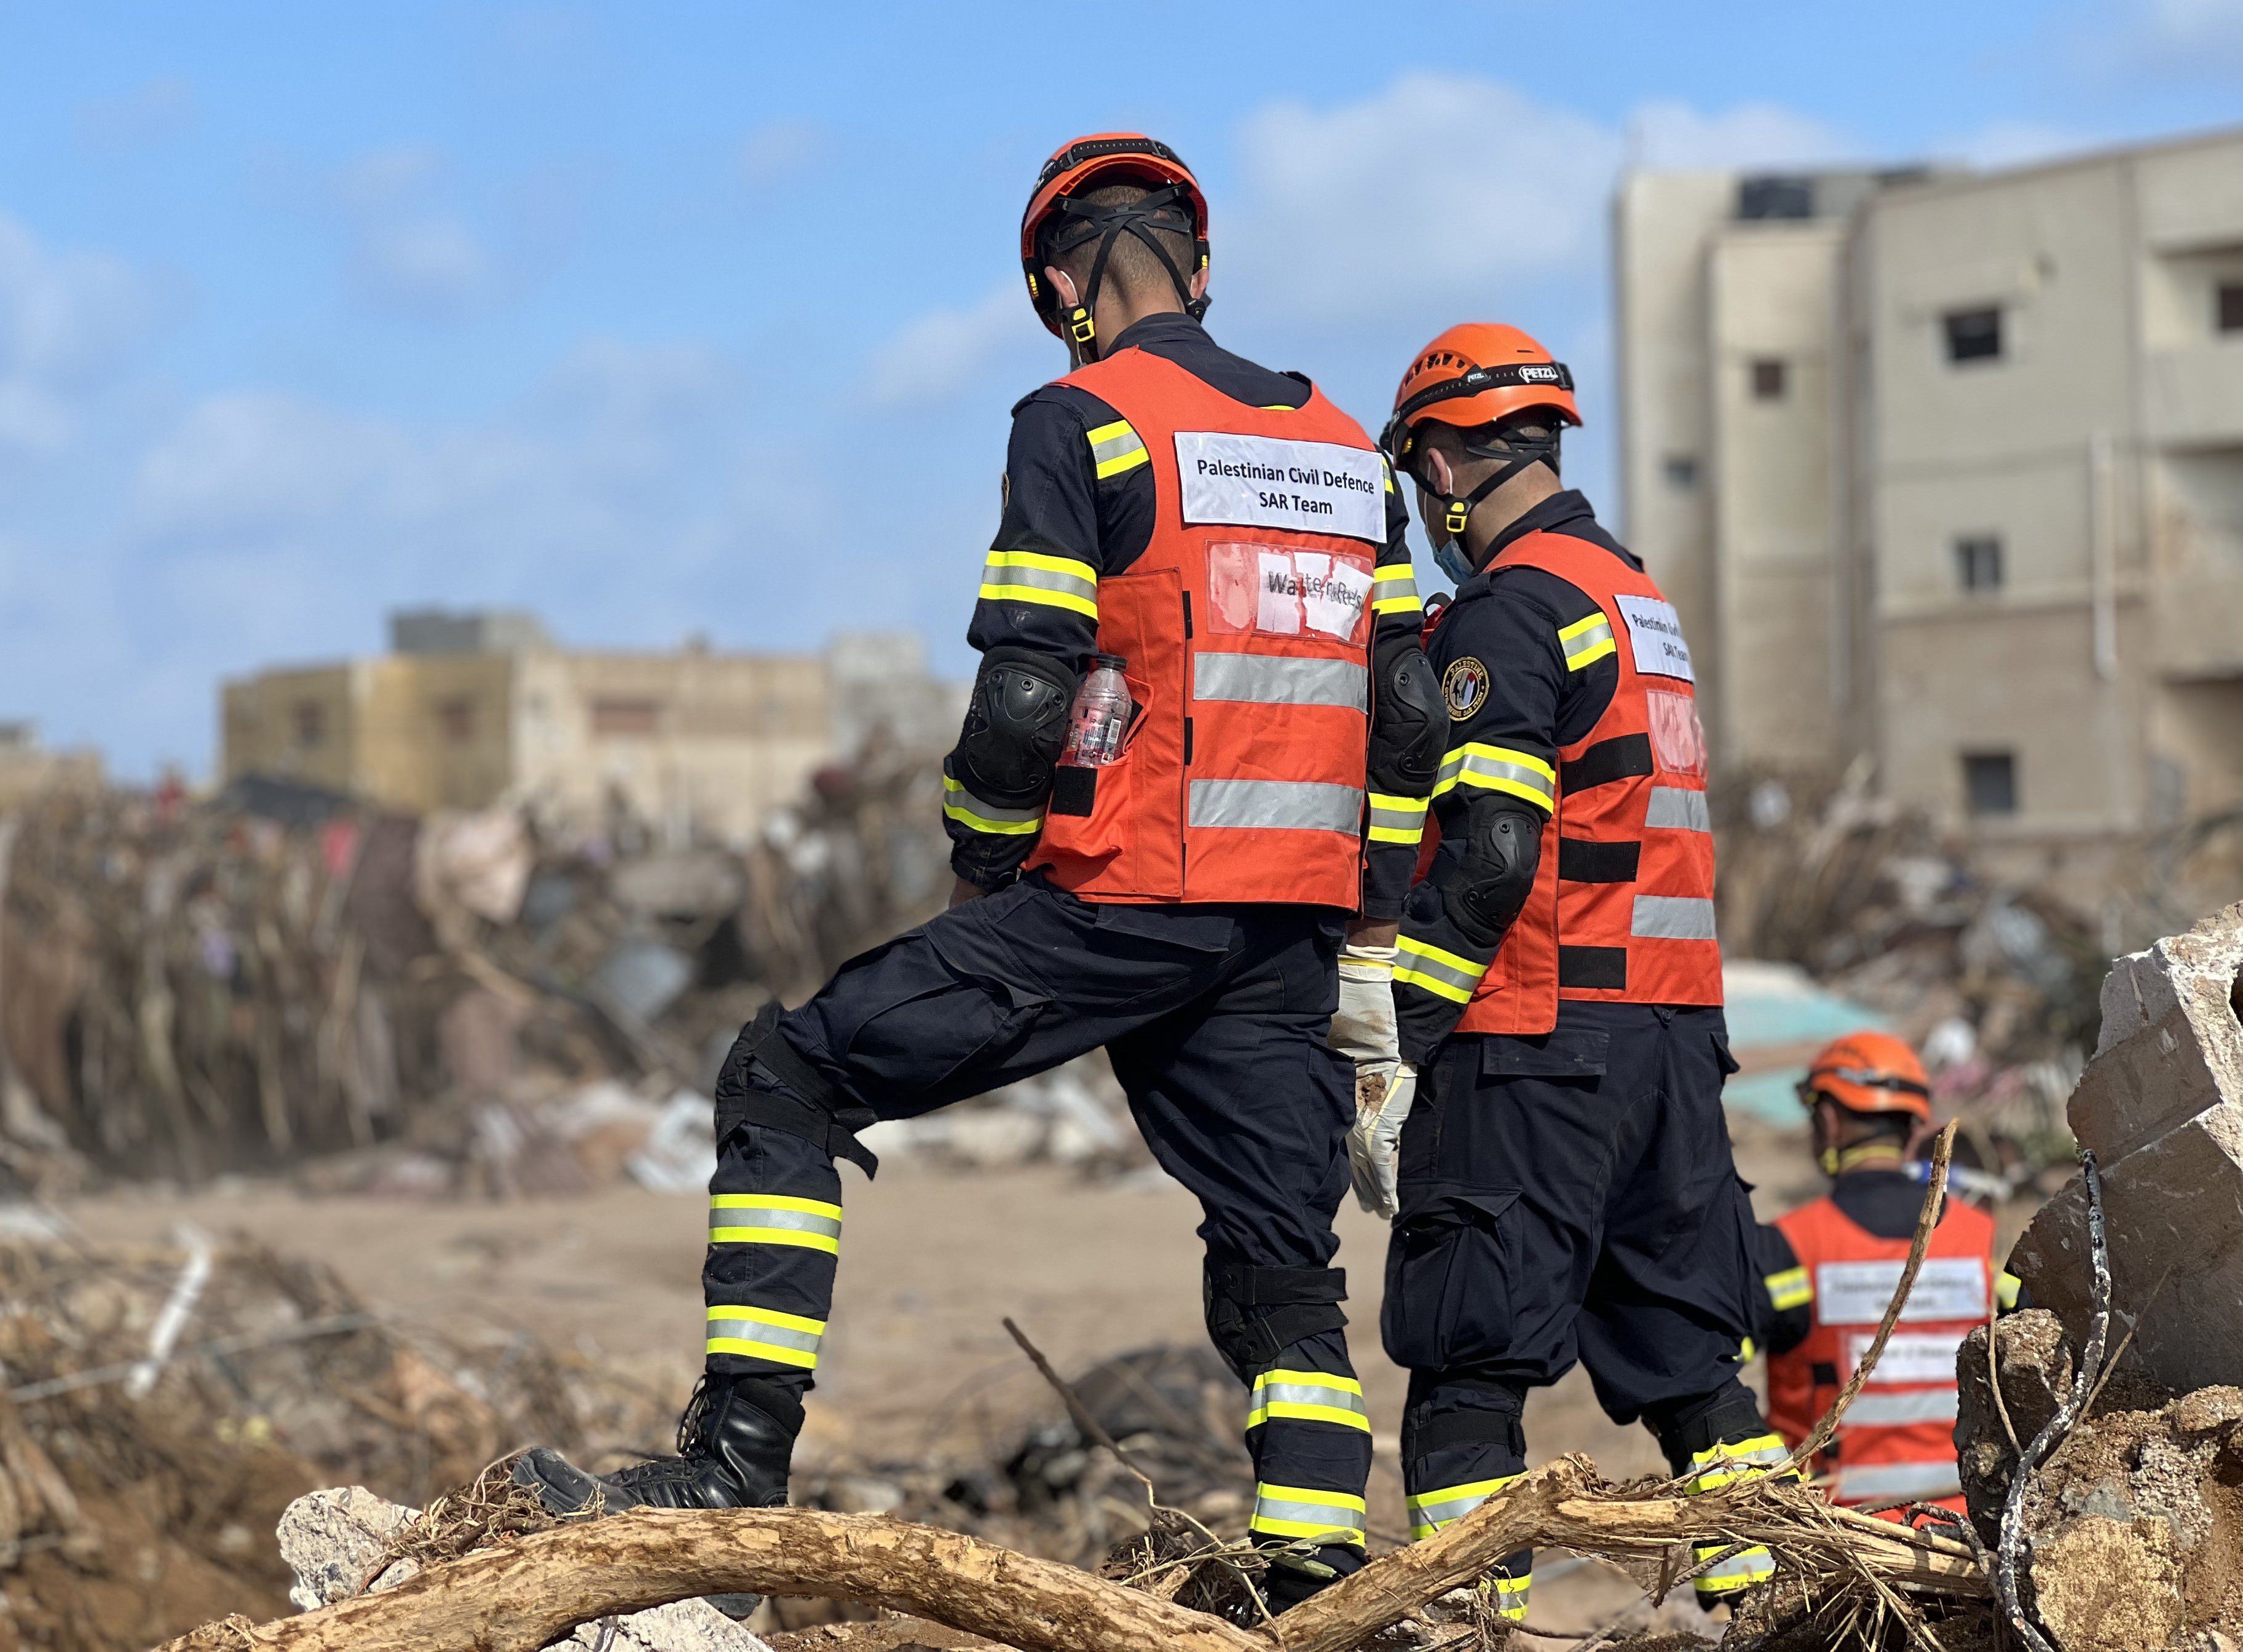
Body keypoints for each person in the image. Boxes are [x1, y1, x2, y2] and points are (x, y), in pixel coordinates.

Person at [511, 133, 1448, 1613]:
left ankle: (735, 1471)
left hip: (1118, 900)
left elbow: (1025, 692)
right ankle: (1319, 1574)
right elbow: (1406, 716)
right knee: (1284, 1253)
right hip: (1287, 930)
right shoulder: (1347, 449)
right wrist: (1372, 945)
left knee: (787, 1074)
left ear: (1067, 287)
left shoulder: (1083, 419)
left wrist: (983, 871)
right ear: (1200, 267)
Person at [1346, 323, 1783, 1621]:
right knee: (1697, 1369)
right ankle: (1794, 1612)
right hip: (1670, 1044)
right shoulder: (1636, 601)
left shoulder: (1516, 607)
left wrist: (1399, 1039)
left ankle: (1477, 1630)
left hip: (1537, 1038)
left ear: (1441, 461)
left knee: (1468, 1369)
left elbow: (1490, 849)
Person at [1756, 1031, 2019, 1516]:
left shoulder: (1789, 1245)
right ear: (1915, 1130)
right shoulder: (1980, 1236)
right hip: (1969, 1535)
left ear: (1830, 1121)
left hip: (1834, 1544)